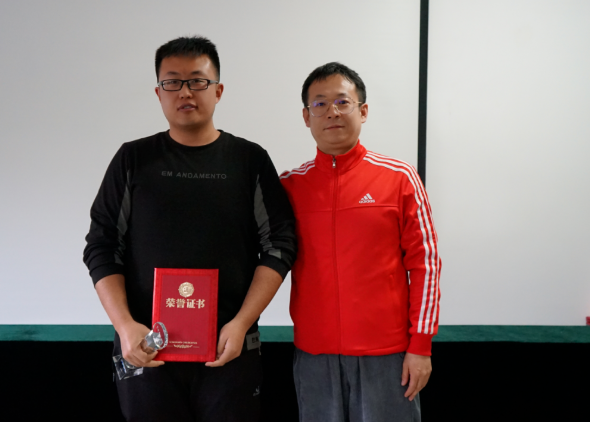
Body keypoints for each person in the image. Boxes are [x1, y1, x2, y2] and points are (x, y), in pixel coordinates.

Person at [83, 36, 296, 422]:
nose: (185, 91)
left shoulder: (249, 160)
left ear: (218, 90)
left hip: (229, 348)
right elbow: (102, 246)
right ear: (158, 93)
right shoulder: (133, 159)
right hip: (146, 348)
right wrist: (125, 326)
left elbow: (279, 244)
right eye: (172, 82)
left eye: (197, 80)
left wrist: (241, 323)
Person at [279, 62, 441, 422]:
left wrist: (421, 346)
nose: (332, 112)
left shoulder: (399, 178)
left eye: (342, 102)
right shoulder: (289, 186)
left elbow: (426, 266)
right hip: (314, 356)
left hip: (387, 355)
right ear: (306, 116)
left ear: (363, 111)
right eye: (319, 104)